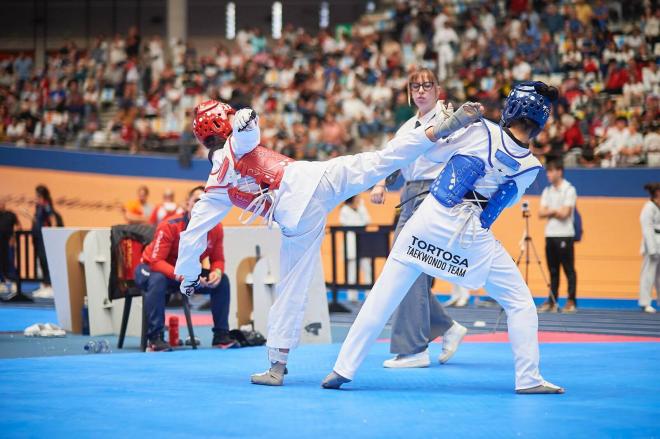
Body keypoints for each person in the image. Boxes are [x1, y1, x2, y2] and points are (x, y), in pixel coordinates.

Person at [174, 98, 484, 386]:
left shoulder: (214, 187)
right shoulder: (237, 141)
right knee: (379, 160)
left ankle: (277, 366)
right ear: (222, 125)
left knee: (291, 286)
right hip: (312, 178)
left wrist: (188, 276)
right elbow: (247, 133)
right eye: (227, 116)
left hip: (295, 216)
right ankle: (436, 131)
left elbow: (192, 234)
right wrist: (246, 119)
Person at [323, 81, 564, 395]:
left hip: (429, 221)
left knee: (382, 297)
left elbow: (432, 154)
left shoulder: (481, 131)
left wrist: (448, 125)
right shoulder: (531, 168)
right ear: (541, 122)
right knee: (520, 303)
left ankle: (342, 368)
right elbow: (497, 206)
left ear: (512, 108)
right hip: (471, 239)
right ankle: (528, 379)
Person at [369, 68, 467, 369]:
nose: (421, 91)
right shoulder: (407, 128)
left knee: (406, 267)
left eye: (427, 85)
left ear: (437, 89)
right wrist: (381, 182)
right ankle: (447, 327)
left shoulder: (451, 119)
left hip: (436, 194)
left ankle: (414, 350)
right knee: (407, 269)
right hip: (409, 196)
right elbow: (393, 158)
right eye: (415, 86)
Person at [135, 186, 235, 352]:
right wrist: (186, 277)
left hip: (185, 274)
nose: (201, 204)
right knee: (157, 279)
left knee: (222, 281)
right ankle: (155, 338)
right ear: (187, 204)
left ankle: (221, 335)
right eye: (196, 200)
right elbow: (156, 262)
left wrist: (216, 272)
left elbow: (218, 260)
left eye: (206, 201)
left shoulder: (216, 228)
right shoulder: (169, 225)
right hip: (150, 268)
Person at [537, 161, 578, 313]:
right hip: (550, 235)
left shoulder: (569, 189)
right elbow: (540, 213)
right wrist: (556, 211)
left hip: (565, 235)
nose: (548, 174)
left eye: (551, 171)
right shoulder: (547, 191)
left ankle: (571, 301)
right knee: (553, 271)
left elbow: (565, 213)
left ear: (559, 172)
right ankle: (552, 301)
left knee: (568, 270)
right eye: (547, 172)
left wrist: (550, 211)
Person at [338, 195, 372, 302]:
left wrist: (361, 207)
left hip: (363, 243)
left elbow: (367, 220)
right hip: (351, 244)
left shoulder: (361, 208)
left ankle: (369, 295)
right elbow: (349, 224)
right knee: (352, 271)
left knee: (367, 269)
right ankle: (352, 297)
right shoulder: (344, 210)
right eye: (357, 198)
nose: (359, 199)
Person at [31, 185, 62, 299]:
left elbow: (52, 219)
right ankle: (44, 284)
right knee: (41, 261)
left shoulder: (46, 205)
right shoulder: (38, 206)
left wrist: (52, 233)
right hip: (39, 238)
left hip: (45, 238)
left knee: (46, 260)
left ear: (42, 195)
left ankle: (50, 285)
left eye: (37, 195)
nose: (36, 197)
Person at [639, 182, 660, 313]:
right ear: (657, 192)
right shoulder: (649, 207)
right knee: (648, 274)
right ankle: (645, 302)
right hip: (652, 242)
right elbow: (647, 229)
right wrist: (652, 249)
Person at [0, 201, 19, 295]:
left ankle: (14, 284)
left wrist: (13, 237)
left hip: (9, 243)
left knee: (10, 262)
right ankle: (2, 283)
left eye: (1, 203)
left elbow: (19, 226)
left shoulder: (10, 215)